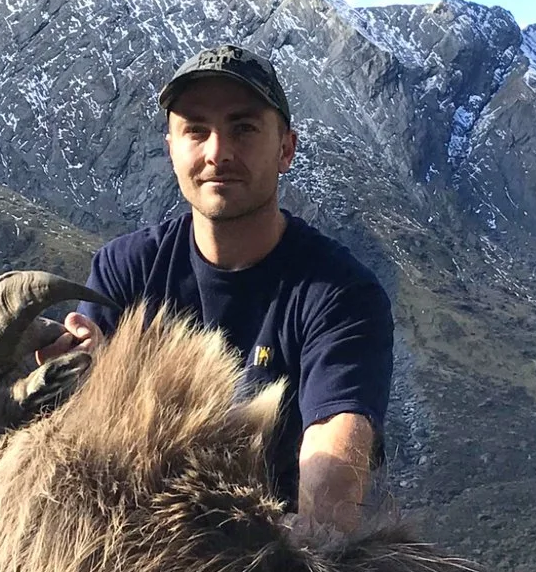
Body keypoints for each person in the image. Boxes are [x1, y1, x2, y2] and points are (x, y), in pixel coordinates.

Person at [56, 44, 393, 532]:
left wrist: (319, 532)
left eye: (244, 128)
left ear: (286, 148)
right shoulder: (125, 270)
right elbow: (87, 450)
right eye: (196, 129)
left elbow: (333, 436)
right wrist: (82, 381)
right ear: (171, 147)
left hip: (275, 560)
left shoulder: (340, 293)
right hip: (141, 550)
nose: (218, 152)